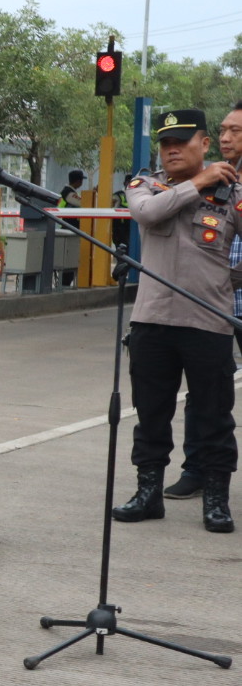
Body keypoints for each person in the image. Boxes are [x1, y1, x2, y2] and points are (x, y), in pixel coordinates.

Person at [111, 109, 240, 534]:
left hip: (208, 323)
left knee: (214, 417)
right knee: (151, 415)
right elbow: (148, 214)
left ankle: (216, 501)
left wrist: (225, 283)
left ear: (204, 144)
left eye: (182, 142)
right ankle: (148, 493)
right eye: (166, 143)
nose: (172, 149)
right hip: (152, 323)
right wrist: (198, 183)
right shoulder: (145, 185)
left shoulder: (232, 192)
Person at [59, 168, 86, 232]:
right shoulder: (68, 192)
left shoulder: (69, 191)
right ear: (78, 181)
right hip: (69, 227)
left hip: (69, 226)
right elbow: (82, 203)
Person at [111, 172, 132, 249]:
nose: (130, 184)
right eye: (129, 182)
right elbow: (111, 208)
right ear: (124, 183)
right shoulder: (118, 195)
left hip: (131, 227)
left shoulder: (138, 195)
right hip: (120, 227)